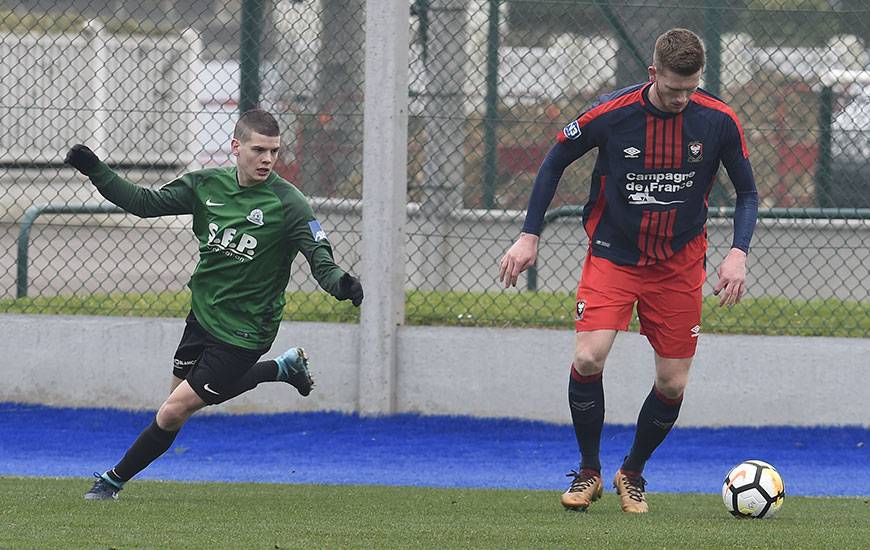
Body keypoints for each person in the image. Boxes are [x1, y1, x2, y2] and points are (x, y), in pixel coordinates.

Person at [498, 28, 758, 513]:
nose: (683, 98)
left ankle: (631, 472)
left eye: (692, 88)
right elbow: (554, 160)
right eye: (673, 88)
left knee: (673, 384)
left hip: (679, 264)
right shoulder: (612, 114)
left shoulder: (718, 120)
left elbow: (747, 191)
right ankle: (589, 471)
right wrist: (529, 233)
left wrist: (738, 251)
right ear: (652, 73)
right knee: (589, 357)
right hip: (614, 253)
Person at [65, 109, 364, 500]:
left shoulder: (288, 203)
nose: (268, 160)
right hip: (202, 316)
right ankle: (280, 369)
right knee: (178, 407)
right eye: (259, 150)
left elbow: (319, 258)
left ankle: (112, 481)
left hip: (246, 331)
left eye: (274, 151)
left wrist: (341, 284)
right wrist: (95, 169)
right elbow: (144, 202)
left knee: (172, 411)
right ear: (236, 147)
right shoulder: (206, 186)